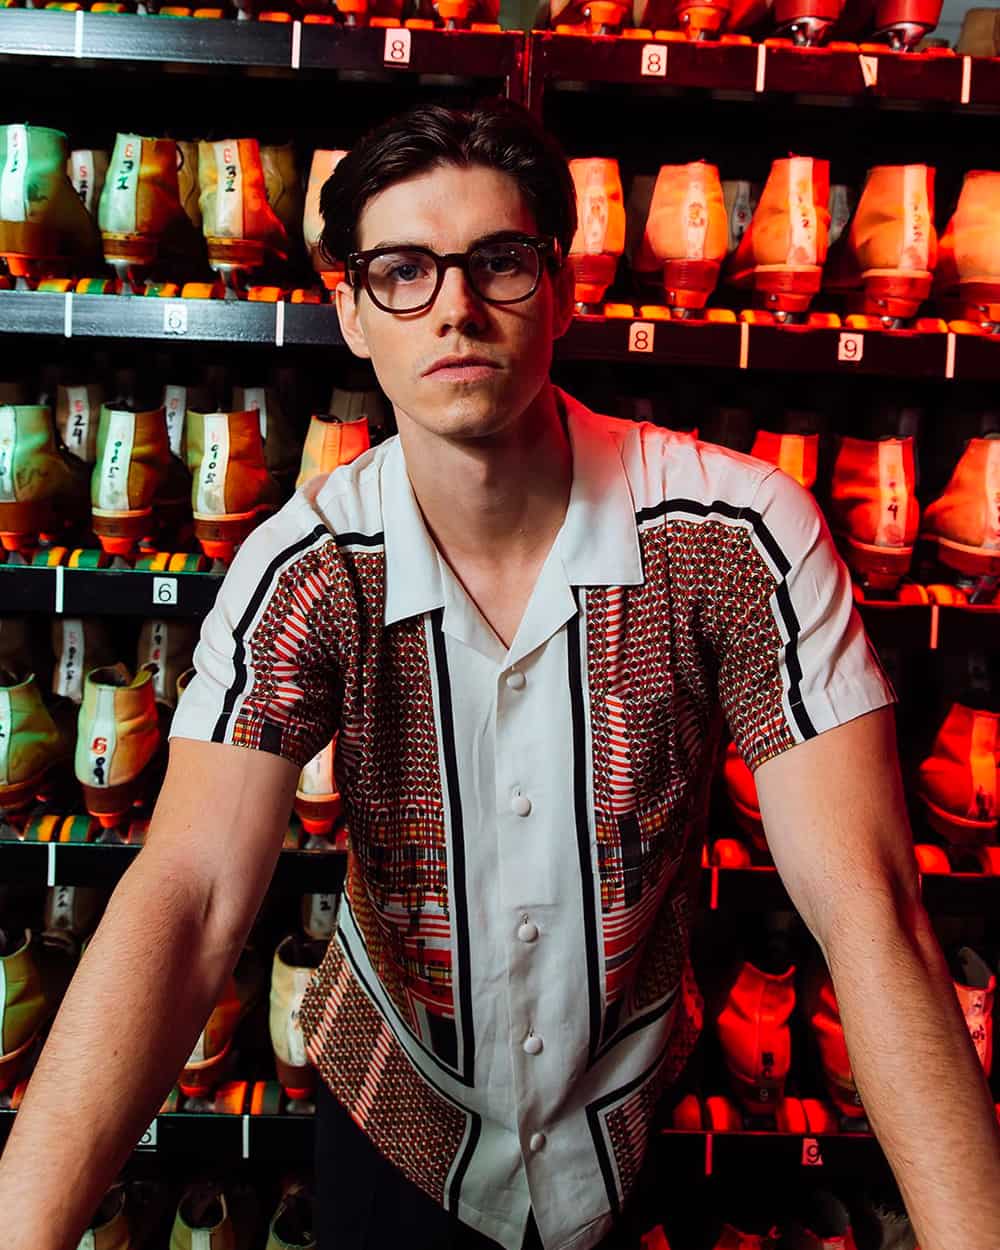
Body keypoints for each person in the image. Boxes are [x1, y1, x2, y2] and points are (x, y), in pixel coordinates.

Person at [1, 99, 998, 1250]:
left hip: (628, 1116)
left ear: (563, 290)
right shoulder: (307, 563)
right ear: (353, 312)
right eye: (404, 270)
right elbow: (185, 899)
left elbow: (870, 909)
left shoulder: (736, 529)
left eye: (499, 263)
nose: (456, 309)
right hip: (395, 1111)